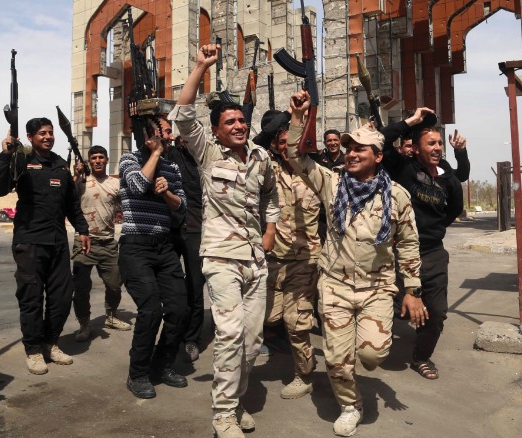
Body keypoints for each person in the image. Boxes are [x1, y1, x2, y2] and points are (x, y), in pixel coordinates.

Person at [285, 91, 422, 437]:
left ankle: (359, 367)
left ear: (377, 156)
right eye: (349, 148)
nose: (351, 153)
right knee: (336, 357)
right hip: (335, 285)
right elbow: (294, 156)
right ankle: (350, 405)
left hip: (377, 287)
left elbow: (408, 243)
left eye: (360, 148)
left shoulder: (397, 196)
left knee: (373, 356)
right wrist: (298, 118)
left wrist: (413, 290)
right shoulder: (332, 184)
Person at [168, 43, 279, 438]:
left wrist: (268, 231)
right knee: (229, 335)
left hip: (255, 260)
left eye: (240, 121)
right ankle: (223, 417)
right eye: (228, 122)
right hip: (220, 257)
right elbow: (181, 115)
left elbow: (271, 196)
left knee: (251, 342)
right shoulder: (208, 154)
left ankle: (235, 401)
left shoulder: (261, 158)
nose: (237, 126)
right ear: (215, 130)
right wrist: (200, 66)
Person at [0, 117, 90, 375]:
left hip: (57, 242)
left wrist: (82, 229)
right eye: (42, 133)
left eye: (50, 133)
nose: (48, 137)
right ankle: (33, 350)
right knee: (31, 298)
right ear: (31, 137)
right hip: (29, 241)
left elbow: (71, 204)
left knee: (61, 297)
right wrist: (5, 155)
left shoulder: (59, 165)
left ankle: (50, 343)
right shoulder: (21, 159)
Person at [380, 108, 465, 381]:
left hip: (433, 252)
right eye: (431, 143)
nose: (438, 147)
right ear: (416, 149)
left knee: (437, 311)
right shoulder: (402, 168)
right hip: (398, 250)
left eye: (440, 143)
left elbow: (454, 209)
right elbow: (379, 141)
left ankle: (421, 357)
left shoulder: (448, 179)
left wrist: (431, 229)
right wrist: (411, 122)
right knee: (395, 305)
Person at [253, 109, 321, 399]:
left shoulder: (316, 175)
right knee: (266, 318)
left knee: (297, 324)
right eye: (280, 142)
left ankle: (304, 375)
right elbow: (252, 147)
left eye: (290, 142)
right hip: (273, 260)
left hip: (305, 262)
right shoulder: (268, 172)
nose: (286, 147)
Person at [118, 122, 189, 399]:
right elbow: (136, 186)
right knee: (150, 311)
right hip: (136, 248)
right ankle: (138, 373)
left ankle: (162, 365)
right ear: (149, 136)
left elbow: (181, 205)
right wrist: (155, 155)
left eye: (170, 132)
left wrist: (166, 193)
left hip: (164, 246)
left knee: (179, 309)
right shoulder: (129, 159)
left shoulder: (172, 168)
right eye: (165, 132)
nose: (170, 136)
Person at [71, 146, 131, 343]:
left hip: (108, 242)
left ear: (106, 160)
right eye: (94, 158)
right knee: (81, 288)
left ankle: (111, 316)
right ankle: (84, 324)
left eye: (101, 157)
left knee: (115, 285)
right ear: (89, 161)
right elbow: (66, 198)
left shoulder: (116, 183)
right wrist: (75, 175)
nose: (97, 160)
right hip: (84, 242)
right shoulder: (80, 182)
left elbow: (130, 204)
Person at [164, 122, 207, 363]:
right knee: (171, 286)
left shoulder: (206, 159)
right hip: (170, 228)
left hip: (196, 230)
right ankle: (172, 331)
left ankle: (191, 338)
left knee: (194, 286)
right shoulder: (171, 155)